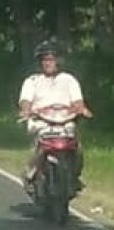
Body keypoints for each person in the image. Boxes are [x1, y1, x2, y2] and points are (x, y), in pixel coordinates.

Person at [18, 40, 93, 192]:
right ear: (40, 62)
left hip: (65, 120)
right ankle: (31, 172)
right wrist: (26, 110)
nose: (48, 63)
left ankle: (74, 176)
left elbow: (78, 100)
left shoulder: (69, 79)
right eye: (45, 60)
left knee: (77, 146)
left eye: (51, 59)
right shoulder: (32, 80)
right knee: (37, 141)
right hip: (41, 121)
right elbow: (25, 100)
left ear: (58, 61)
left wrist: (81, 109)